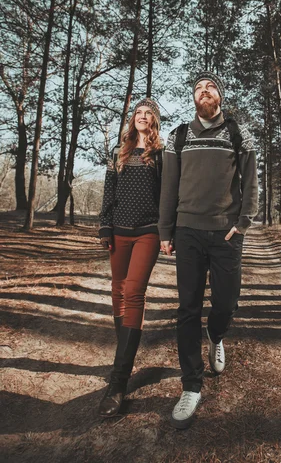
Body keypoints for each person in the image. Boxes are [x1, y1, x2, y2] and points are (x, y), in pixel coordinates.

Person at [158, 71, 258, 429]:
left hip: (226, 234)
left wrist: (243, 222)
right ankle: (191, 385)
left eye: (211, 86)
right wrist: (165, 230)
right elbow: (169, 186)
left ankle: (216, 335)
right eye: (198, 87)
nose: (204, 91)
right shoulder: (179, 136)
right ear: (193, 97)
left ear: (220, 95)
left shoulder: (237, 133)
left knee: (227, 302)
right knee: (187, 308)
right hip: (187, 233)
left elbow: (251, 182)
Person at [98, 98, 163, 417]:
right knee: (117, 292)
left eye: (148, 113)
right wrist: (104, 226)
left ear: (154, 120)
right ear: (133, 118)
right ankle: (124, 355)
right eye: (138, 112)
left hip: (148, 231)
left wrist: (167, 232)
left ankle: (118, 381)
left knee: (134, 292)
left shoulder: (161, 154)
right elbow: (109, 191)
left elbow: (167, 195)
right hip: (118, 231)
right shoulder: (118, 152)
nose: (142, 116)